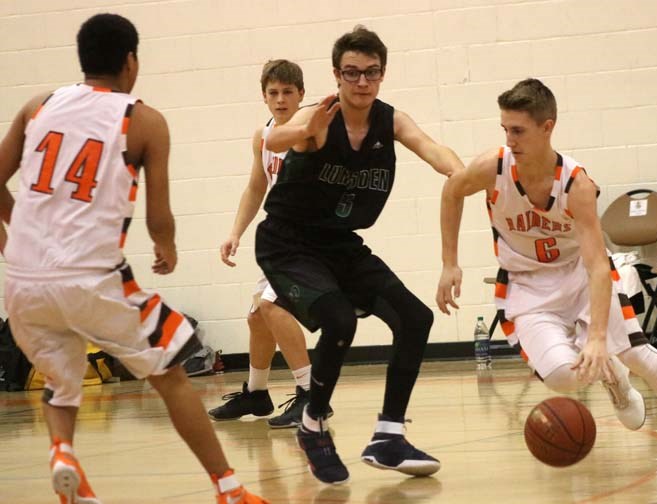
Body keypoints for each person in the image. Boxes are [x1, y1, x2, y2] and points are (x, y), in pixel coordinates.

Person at [0, 13, 267, 504]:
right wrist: (167, 248)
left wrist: (15, 237)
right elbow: (157, 215)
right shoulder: (142, 119)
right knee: (171, 372)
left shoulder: (37, 105)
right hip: (90, 279)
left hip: (21, 281)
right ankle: (229, 489)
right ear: (130, 62)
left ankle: (64, 456)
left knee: (62, 379)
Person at [436, 78, 657, 449]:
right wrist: (450, 262)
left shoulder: (576, 185)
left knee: (634, 351)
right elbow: (451, 191)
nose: (509, 140)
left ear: (547, 128)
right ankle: (612, 375)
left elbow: (596, 265)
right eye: (505, 130)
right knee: (562, 375)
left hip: (579, 274)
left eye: (518, 131)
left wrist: (595, 339)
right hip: (526, 284)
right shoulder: (492, 168)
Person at [257, 25, 464, 484]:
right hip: (287, 242)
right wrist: (301, 129)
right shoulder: (319, 118)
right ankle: (312, 425)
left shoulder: (391, 121)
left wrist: (462, 174)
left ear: (382, 74)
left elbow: (433, 150)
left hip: (338, 243)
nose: (362, 82)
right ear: (336, 75)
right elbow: (270, 141)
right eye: (352, 73)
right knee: (339, 319)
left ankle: (388, 436)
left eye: (371, 73)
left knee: (415, 318)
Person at [208, 59, 332, 428]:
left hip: (312, 239)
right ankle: (257, 393)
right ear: (264, 97)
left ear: (301, 96)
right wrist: (235, 233)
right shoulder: (262, 136)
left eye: (287, 92)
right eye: (273, 93)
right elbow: (256, 187)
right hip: (282, 238)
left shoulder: (311, 133)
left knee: (271, 307)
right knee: (257, 318)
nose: (280, 100)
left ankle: (313, 398)